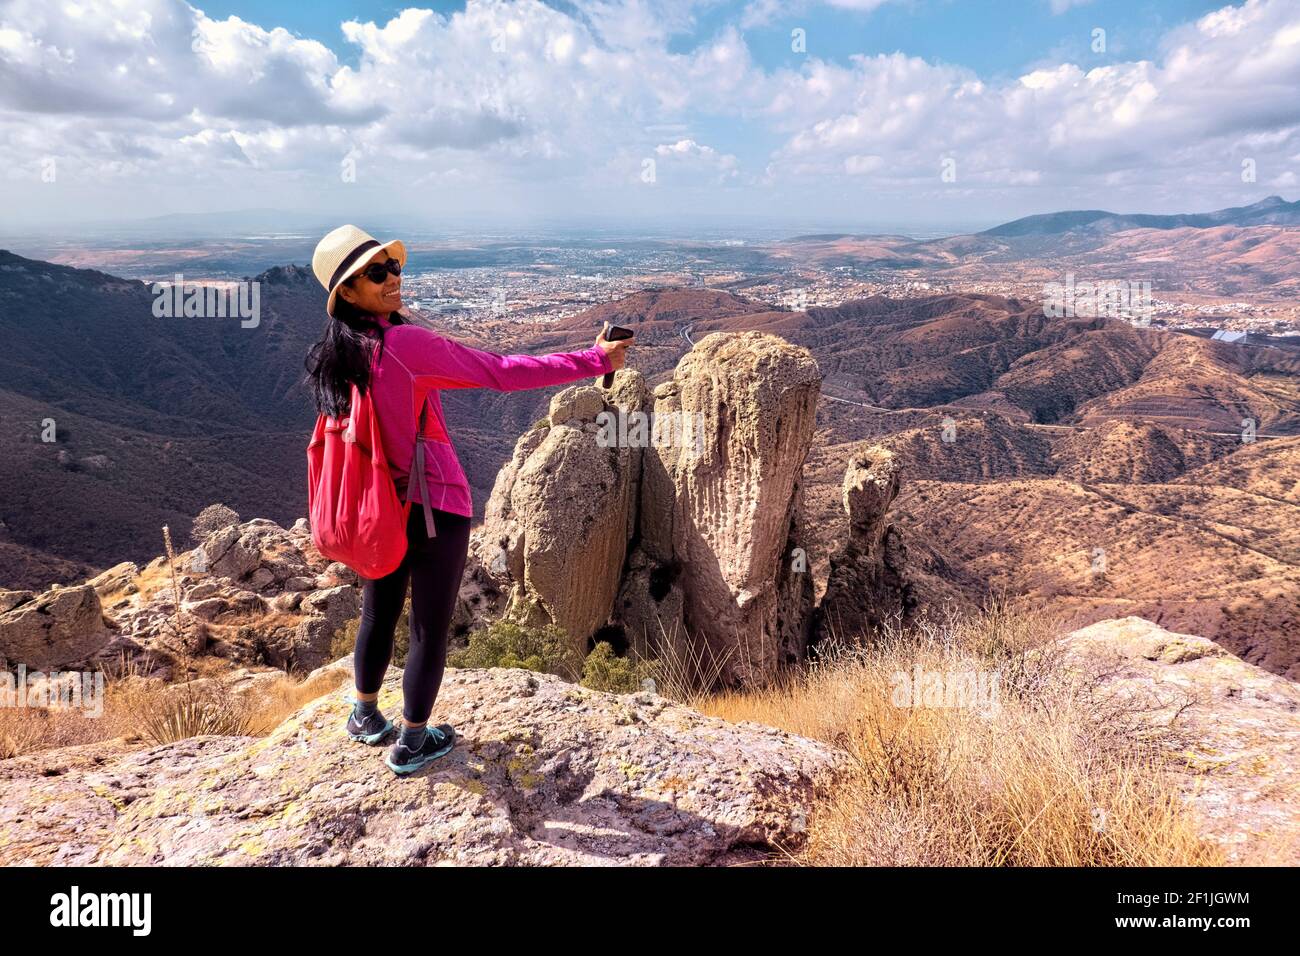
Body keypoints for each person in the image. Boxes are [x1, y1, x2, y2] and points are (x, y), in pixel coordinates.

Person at [305, 225, 632, 775]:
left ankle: (363, 713)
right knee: (429, 627)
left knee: (377, 611)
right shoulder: (403, 346)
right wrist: (595, 360)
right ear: (349, 293)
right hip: (432, 508)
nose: (393, 278)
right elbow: (500, 373)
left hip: (375, 507)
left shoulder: (341, 355)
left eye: (394, 267)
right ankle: (413, 740)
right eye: (376, 272)